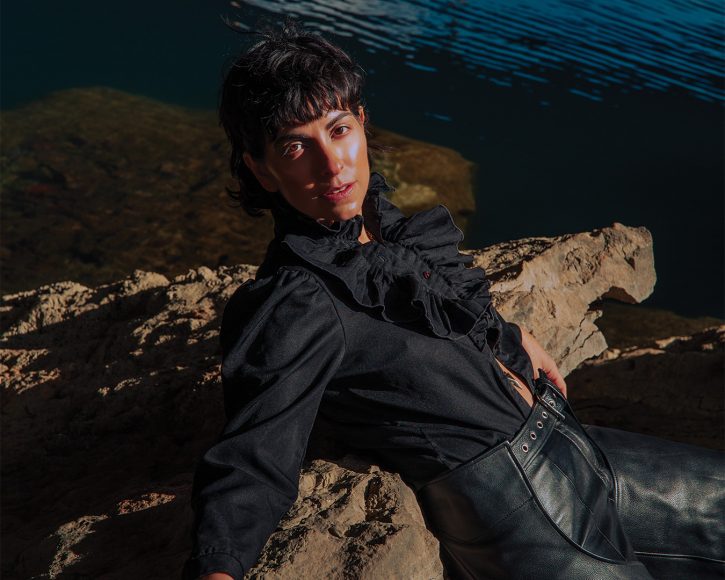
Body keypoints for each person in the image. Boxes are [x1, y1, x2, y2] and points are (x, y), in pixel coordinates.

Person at [182, 23, 723, 580]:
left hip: (577, 448)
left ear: (362, 122)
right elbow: (254, 455)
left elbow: (429, 320)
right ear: (261, 168)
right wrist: (218, 568)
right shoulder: (295, 300)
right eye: (296, 146)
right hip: (520, 513)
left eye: (339, 129)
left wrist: (505, 338)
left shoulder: (380, 225)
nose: (332, 164)